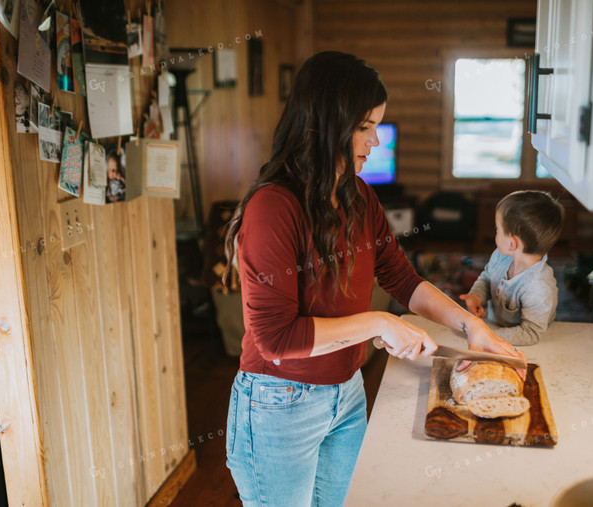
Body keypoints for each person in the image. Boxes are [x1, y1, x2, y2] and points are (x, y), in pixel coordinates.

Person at [221, 51, 526, 507]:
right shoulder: (273, 208)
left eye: (376, 126)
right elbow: (276, 340)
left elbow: (402, 279)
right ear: (325, 125)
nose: (376, 141)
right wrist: (380, 323)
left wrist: (469, 326)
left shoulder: (359, 196)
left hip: (346, 393)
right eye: (364, 127)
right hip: (277, 403)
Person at [460, 190, 564, 346]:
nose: (495, 233)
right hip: (497, 327)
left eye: (497, 229)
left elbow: (531, 332)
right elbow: (488, 277)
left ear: (512, 243)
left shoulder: (538, 287)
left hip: (523, 343)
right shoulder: (501, 256)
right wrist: (477, 296)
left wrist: (489, 336)